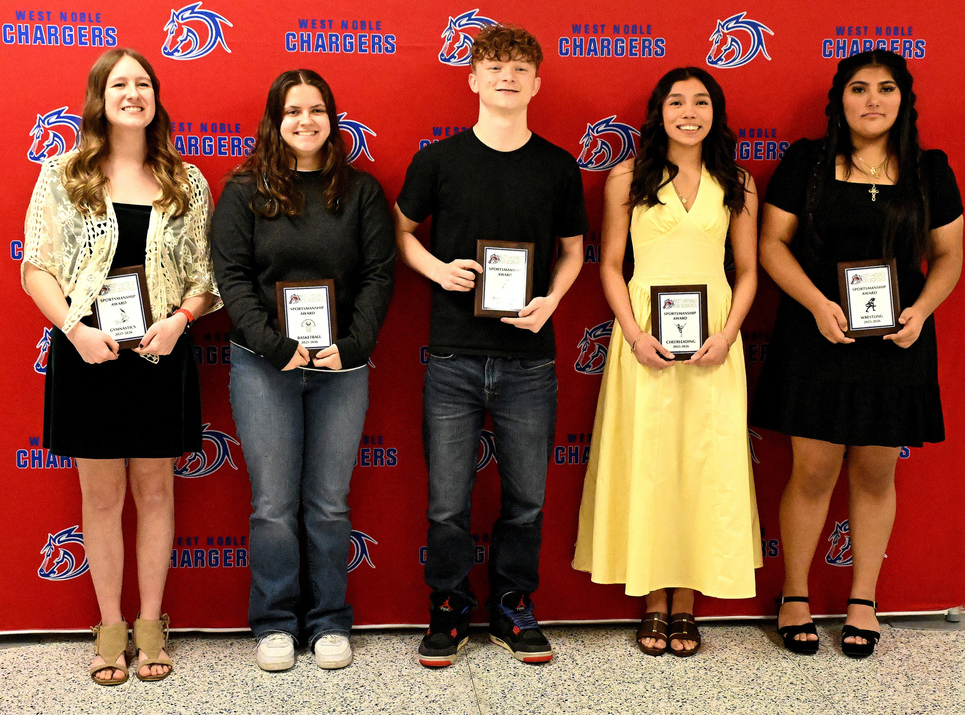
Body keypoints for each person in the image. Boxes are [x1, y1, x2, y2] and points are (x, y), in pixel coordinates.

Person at [752, 50, 962, 658]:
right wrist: (817, 304)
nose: (872, 99)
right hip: (818, 333)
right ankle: (794, 594)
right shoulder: (806, 162)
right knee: (813, 472)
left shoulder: (929, 170)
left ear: (904, 100)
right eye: (859, 88)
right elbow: (772, 244)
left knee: (875, 472)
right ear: (839, 99)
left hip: (896, 340)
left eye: (886, 88)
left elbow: (949, 255)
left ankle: (863, 600)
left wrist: (922, 312)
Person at [21, 48, 219, 684]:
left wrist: (181, 319)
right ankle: (110, 626)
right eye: (119, 84)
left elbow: (205, 276)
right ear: (99, 98)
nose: (132, 94)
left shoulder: (186, 181)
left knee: (156, 492)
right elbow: (37, 267)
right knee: (102, 498)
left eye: (143, 84)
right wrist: (74, 329)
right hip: (89, 354)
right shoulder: (64, 174)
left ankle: (151, 623)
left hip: (161, 352)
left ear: (156, 97)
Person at [394, 23, 587, 667]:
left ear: (537, 84)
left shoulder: (558, 166)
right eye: (495, 66)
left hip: (529, 360)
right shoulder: (439, 160)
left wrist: (552, 300)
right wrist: (437, 270)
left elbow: (573, 251)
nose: (507, 77)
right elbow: (400, 232)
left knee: (526, 498)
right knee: (447, 502)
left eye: (519, 68)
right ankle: (448, 606)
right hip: (452, 357)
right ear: (473, 78)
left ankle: (512, 605)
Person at [573, 67, 761, 658]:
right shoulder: (627, 176)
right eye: (676, 102)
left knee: (705, 465)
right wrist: (633, 335)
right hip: (644, 340)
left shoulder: (738, 182)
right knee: (650, 463)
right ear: (658, 112)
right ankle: (653, 597)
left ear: (715, 113)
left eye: (701, 102)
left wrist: (728, 334)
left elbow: (748, 271)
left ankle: (687, 601)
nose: (689, 112)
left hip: (715, 343)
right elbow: (610, 265)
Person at [211, 69, 394, 671]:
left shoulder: (361, 192)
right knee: (271, 504)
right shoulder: (244, 192)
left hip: (342, 365)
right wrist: (271, 345)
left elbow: (378, 274)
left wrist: (355, 344)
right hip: (264, 366)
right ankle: (274, 623)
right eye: (293, 111)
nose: (305, 121)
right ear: (275, 121)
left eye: (316, 110)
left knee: (329, 503)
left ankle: (329, 621)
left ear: (331, 119)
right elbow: (231, 277)